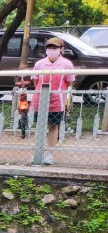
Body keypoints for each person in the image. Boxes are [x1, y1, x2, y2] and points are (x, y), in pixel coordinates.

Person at [31, 36, 74, 165]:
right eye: (49, 47)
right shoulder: (39, 64)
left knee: (53, 126)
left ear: (61, 49)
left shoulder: (66, 64)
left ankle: (49, 153)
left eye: (54, 47)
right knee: (39, 126)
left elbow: (70, 82)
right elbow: (35, 81)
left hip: (57, 99)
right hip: (40, 98)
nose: (51, 50)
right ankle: (37, 153)